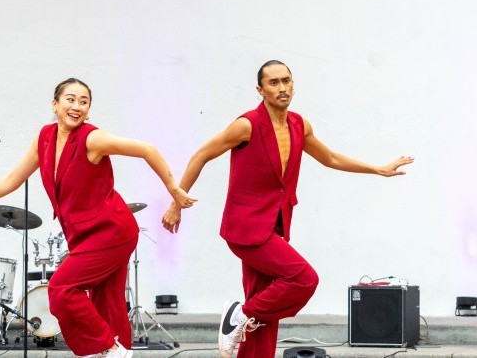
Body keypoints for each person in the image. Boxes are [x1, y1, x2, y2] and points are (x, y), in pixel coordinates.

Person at [161, 60, 414, 358]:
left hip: (275, 225)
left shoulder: (299, 124)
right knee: (304, 279)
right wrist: (176, 202)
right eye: (273, 83)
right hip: (245, 227)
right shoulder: (246, 125)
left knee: (265, 310)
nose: (282, 88)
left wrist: (378, 169)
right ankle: (238, 316)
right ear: (260, 90)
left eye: (286, 81)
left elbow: (330, 157)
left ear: (293, 84)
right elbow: (201, 155)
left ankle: (247, 323)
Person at [0, 78, 197, 358]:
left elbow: (148, 150)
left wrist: (174, 190)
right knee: (109, 305)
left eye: (84, 101)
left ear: (89, 110)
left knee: (61, 289)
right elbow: (12, 179)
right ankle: (116, 349)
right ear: (54, 104)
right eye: (70, 99)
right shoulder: (44, 138)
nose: (76, 106)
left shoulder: (93, 138)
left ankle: (109, 347)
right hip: (83, 235)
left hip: (112, 230)